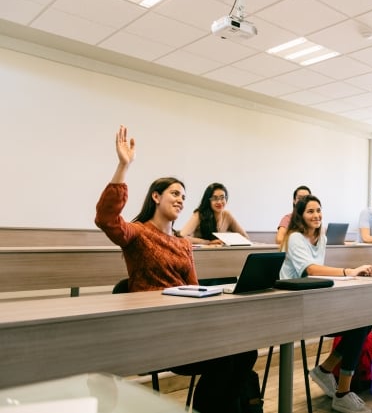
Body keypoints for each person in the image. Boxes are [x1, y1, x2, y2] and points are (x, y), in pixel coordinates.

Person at [95, 125, 259, 413]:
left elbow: (195, 289)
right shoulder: (138, 233)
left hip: (186, 325)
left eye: (184, 196)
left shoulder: (183, 244)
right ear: (156, 197)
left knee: (245, 350)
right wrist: (124, 166)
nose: (181, 199)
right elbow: (106, 218)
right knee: (223, 359)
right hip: (156, 330)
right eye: (175, 193)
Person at [279, 194, 372, 413]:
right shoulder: (294, 238)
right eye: (310, 211)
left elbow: (315, 277)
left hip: (313, 299)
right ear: (300, 216)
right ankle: (339, 390)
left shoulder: (321, 238)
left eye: (319, 210)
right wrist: (349, 271)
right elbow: (310, 270)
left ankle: (329, 374)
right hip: (292, 304)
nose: (316, 215)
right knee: (359, 322)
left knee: (363, 319)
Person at [181, 182, 249, 245]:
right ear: (208, 201)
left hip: (220, 254)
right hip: (201, 254)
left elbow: (245, 237)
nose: (219, 202)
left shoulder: (227, 215)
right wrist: (208, 242)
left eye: (222, 198)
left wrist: (228, 240)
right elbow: (182, 237)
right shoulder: (199, 214)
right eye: (215, 198)